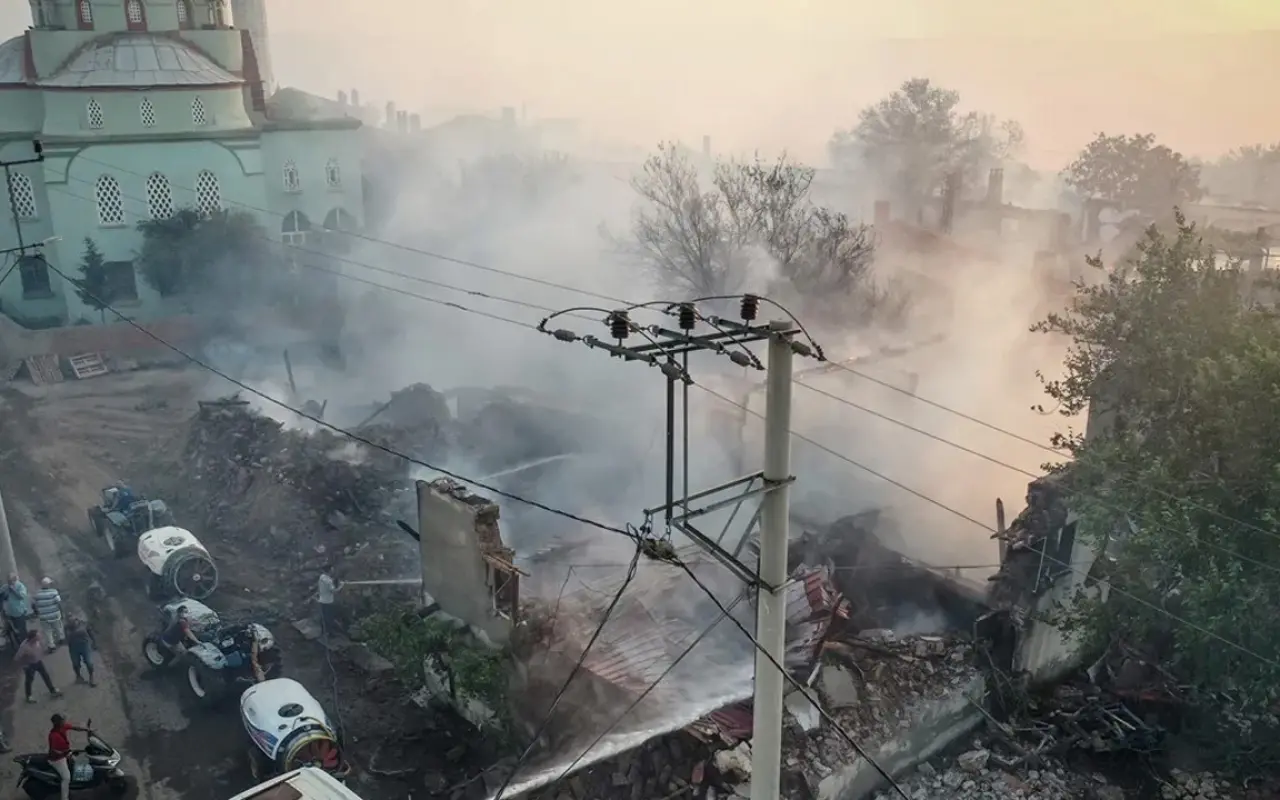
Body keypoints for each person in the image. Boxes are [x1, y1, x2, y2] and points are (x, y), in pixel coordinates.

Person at [47, 714, 89, 800]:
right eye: (62, 721)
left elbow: (75, 728)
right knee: (66, 778)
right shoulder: (53, 736)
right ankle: (64, 798)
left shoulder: (63, 727)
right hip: (57, 759)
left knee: (80, 762)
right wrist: (63, 753)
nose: (64, 721)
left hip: (66, 753)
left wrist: (87, 730)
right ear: (58, 723)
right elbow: (53, 750)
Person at [15, 629, 61, 703]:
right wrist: (24, 665)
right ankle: (29, 696)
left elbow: (41, 648)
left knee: (45, 675)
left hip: (38, 662)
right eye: (38, 635)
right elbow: (17, 658)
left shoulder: (37, 642)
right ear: (33, 638)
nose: (40, 636)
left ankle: (52, 690)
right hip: (30, 665)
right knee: (29, 680)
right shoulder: (24, 647)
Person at [65, 616, 97, 687]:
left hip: (84, 646)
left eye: (73, 622)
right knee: (75, 663)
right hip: (73, 647)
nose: (72, 624)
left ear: (77, 620)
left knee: (89, 662)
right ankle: (78, 677)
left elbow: (91, 634)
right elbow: (66, 638)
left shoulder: (84, 625)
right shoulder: (67, 627)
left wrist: (94, 643)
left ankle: (92, 677)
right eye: (70, 623)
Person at [33, 577, 63, 651]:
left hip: (43, 617)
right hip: (54, 615)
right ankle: (60, 639)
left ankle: (51, 645)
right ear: (49, 585)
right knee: (58, 627)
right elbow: (59, 602)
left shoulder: (37, 594)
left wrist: (37, 613)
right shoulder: (54, 592)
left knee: (47, 631)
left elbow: (34, 605)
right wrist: (62, 612)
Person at [317, 569, 343, 639]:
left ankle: (324, 631)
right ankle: (329, 633)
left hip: (322, 600)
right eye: (331, 569)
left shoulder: (321, 577)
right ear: (329, 571)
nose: (333, 571)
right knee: (329, 618)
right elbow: (334, 591)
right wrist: (341, 586)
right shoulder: (329, 581)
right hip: (328, 601)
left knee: (324, 617)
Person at [3, 573, 31, 637]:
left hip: (19, 611)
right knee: (15, 629)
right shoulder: (5, 587)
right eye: (8, 581)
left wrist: (13, 590)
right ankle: (19, 641)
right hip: (10, 612)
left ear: (14, 580)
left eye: (10, 581)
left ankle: (25, 641)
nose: (9, 583)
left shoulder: (20, 586)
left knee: (21, 628)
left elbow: (21, 596)